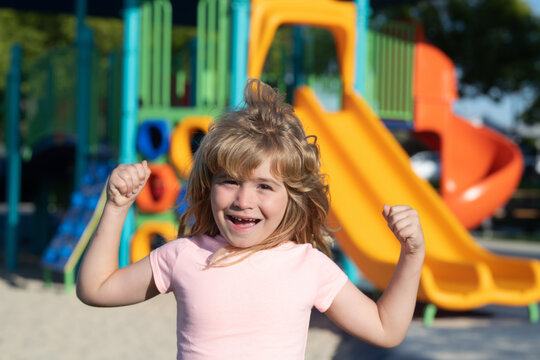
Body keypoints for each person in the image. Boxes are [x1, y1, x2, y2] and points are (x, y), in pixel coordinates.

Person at [77, 79, 425, 359]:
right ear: (208, 185)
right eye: (229, 181)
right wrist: (117, 207)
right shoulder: (184, 255)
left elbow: (385, 329)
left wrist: (412, 255)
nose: (244, 200)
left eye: (264, 186)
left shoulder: (308, 266)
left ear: (292, 197)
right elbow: (96, 289)